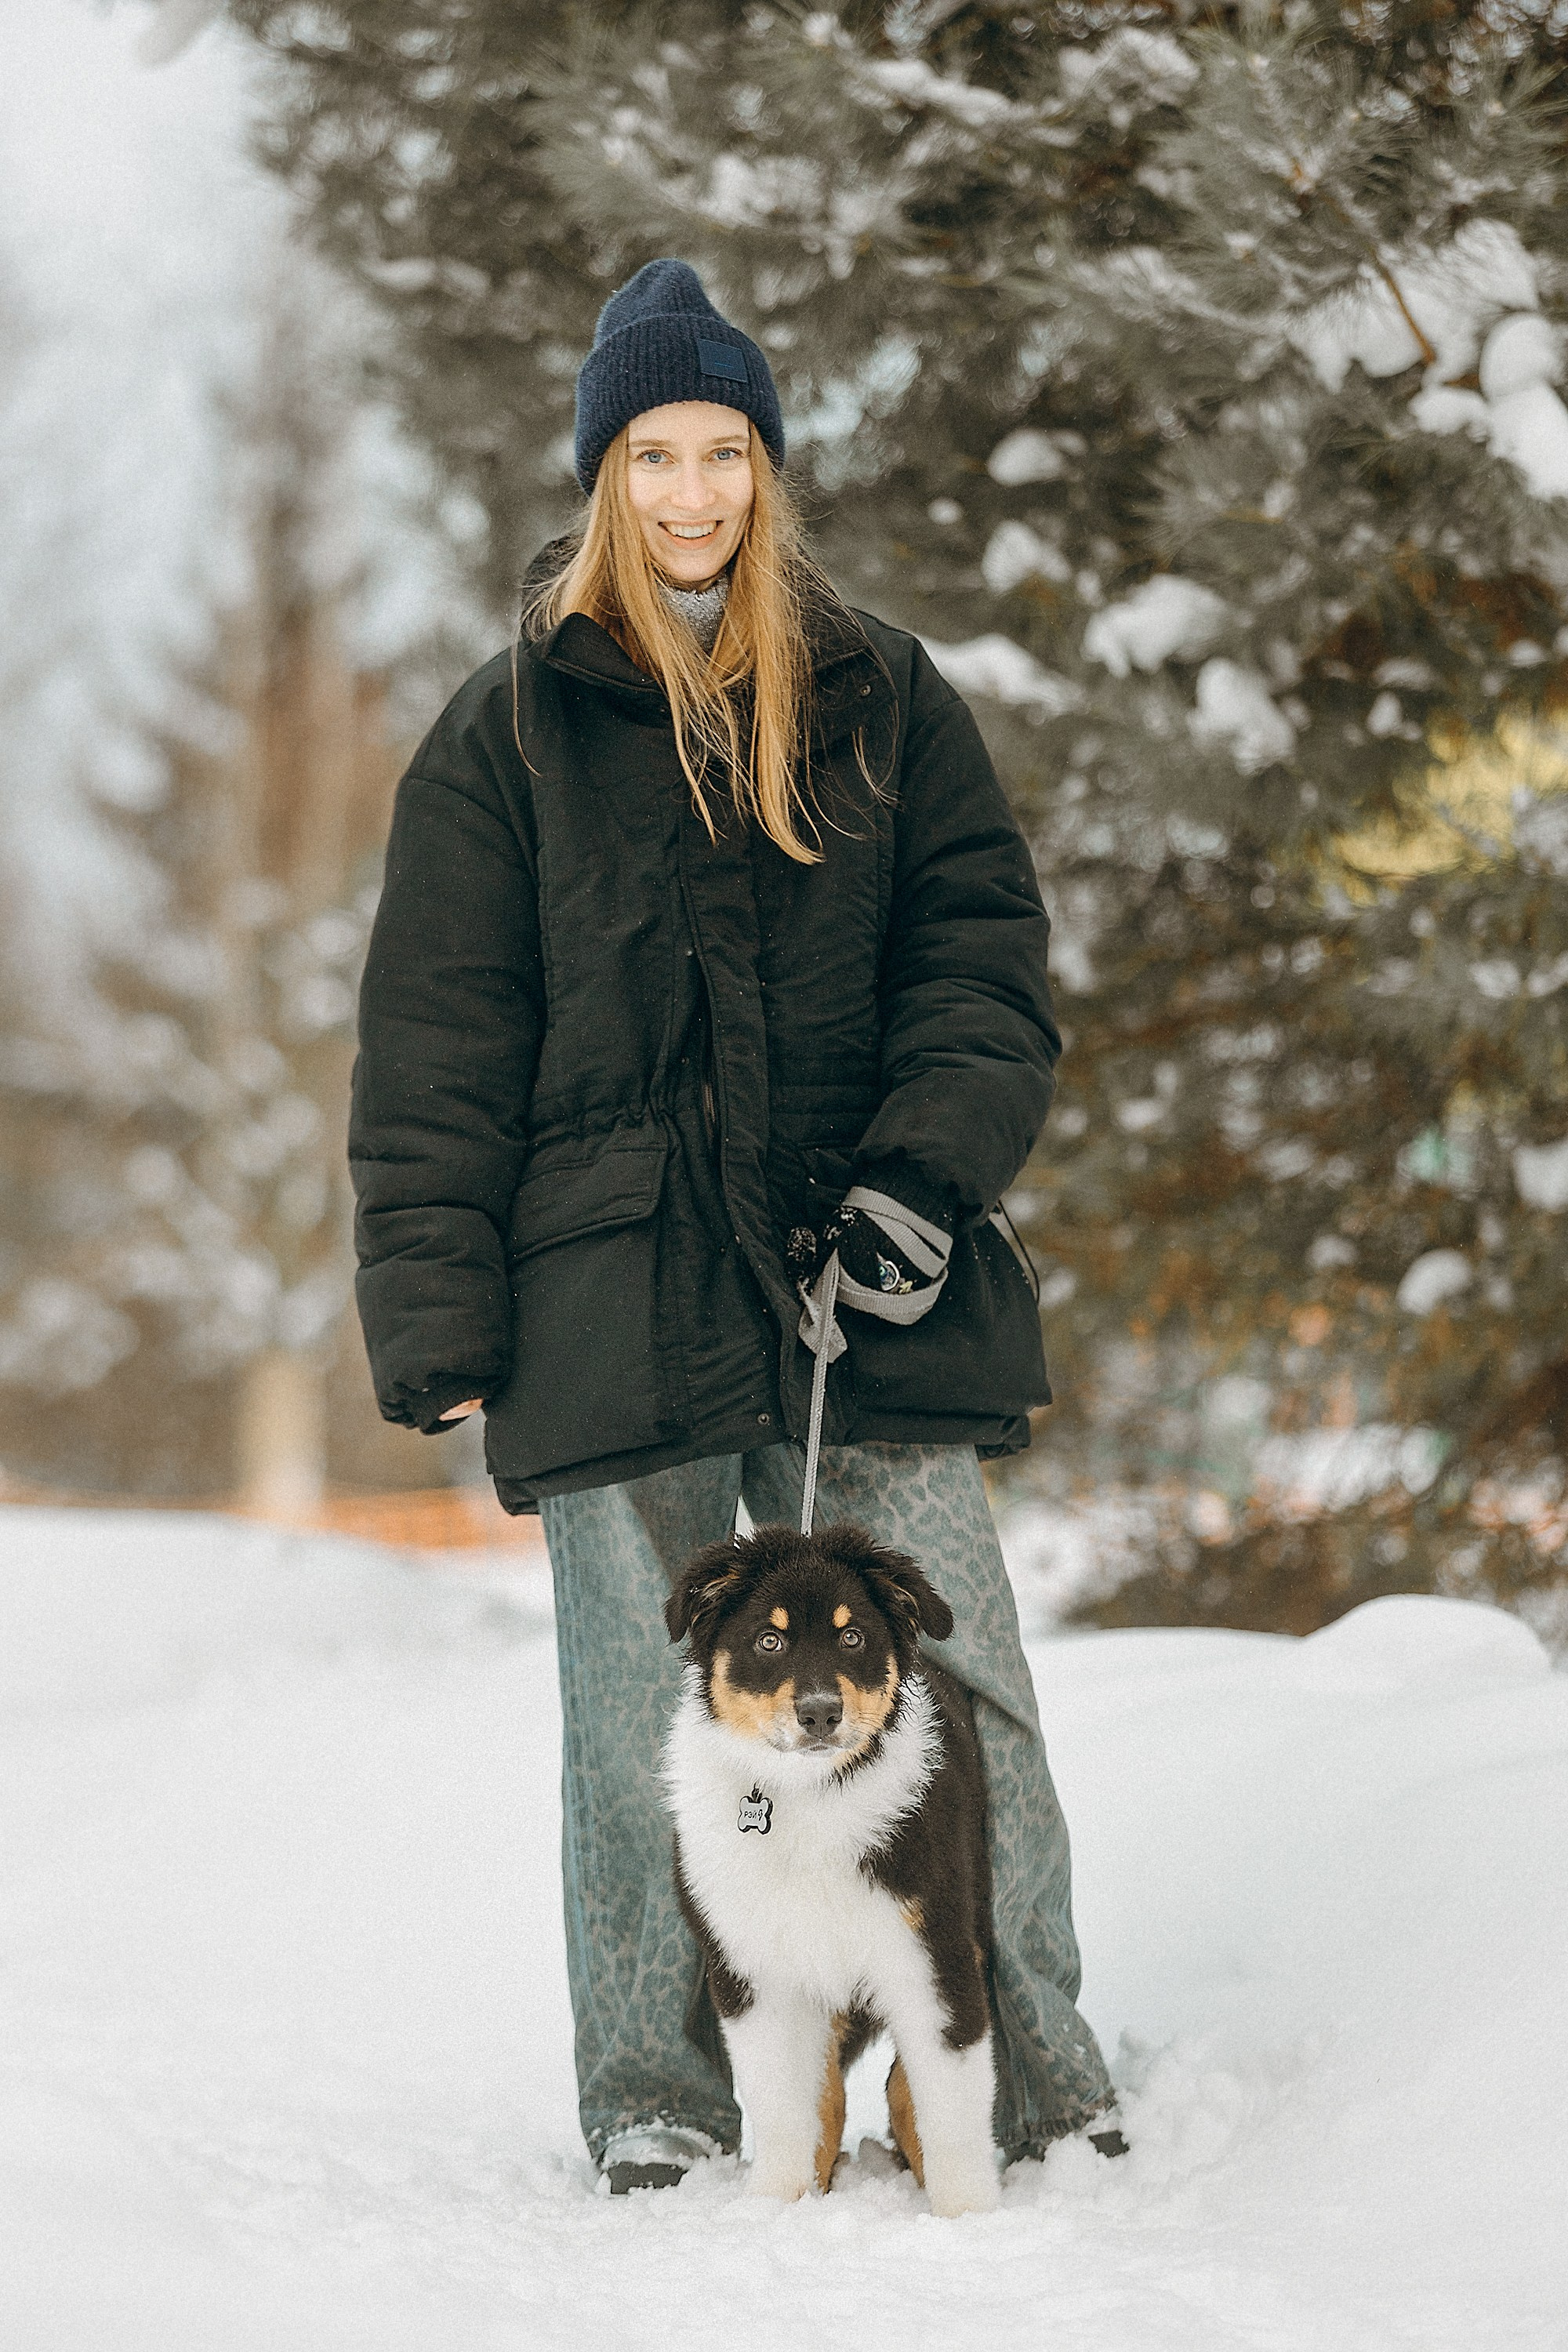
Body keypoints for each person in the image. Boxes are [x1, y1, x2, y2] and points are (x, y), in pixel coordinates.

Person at [350, 258, 1119, 2193]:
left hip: (876, 1277)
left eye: (725, 452)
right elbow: (439, 1037)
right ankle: (669, 2106)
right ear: (604, 478)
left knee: (963, 1696)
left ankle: (1032, 2069)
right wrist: (438, 1311)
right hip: (611, 1301)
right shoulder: (505, 729)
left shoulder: (877, 693)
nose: (693, 493)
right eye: (654, 456)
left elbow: (981, 962)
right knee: (642, 1721)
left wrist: (923, 1177)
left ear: (769, 471)